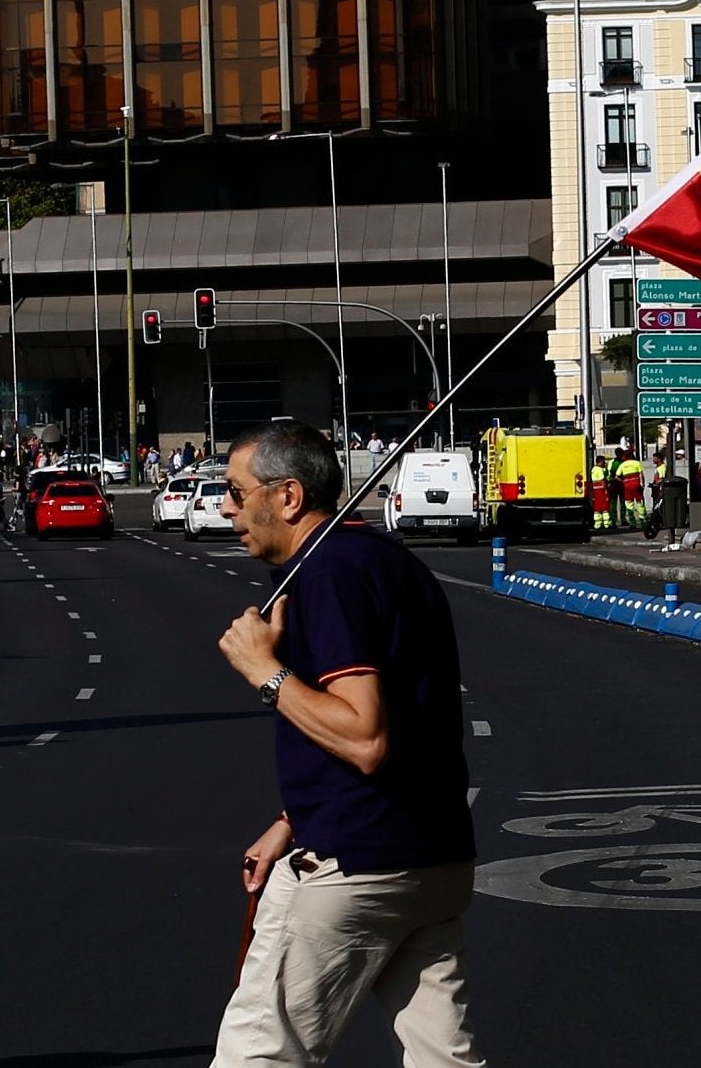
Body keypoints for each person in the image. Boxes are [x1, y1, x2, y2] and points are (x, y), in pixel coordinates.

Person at [211, 419, 484, 1068]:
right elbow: (406, 715)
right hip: (436, 856)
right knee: (441, 1057)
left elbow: (364, 735)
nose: (226, 506)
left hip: (355, 860)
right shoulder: (387, 560)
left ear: (288, 496)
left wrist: (265, 672)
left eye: (236, 489)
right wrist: (287, 820)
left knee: (261, 1052)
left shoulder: (327, 573)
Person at [613, 449, 646, 528]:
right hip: (636, 484)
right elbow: (641, 475)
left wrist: (623, 481)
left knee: (629, 504)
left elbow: (616, 476)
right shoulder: (637, 463)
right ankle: (643, 522)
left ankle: (632, 523)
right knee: (640, 503)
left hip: (627, 486)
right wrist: (642, 485)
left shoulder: (622, 465)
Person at [590, 454, 611, 530]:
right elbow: (602, 480)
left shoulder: (593, 469)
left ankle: (597, 524)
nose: (604, 463)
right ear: (601, 461)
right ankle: (606, 524)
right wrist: (606, 490)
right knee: (605, 507)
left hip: (595, 490)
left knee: (597, 508)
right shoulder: (599, 470)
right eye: (604, 461)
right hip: (601, 490)